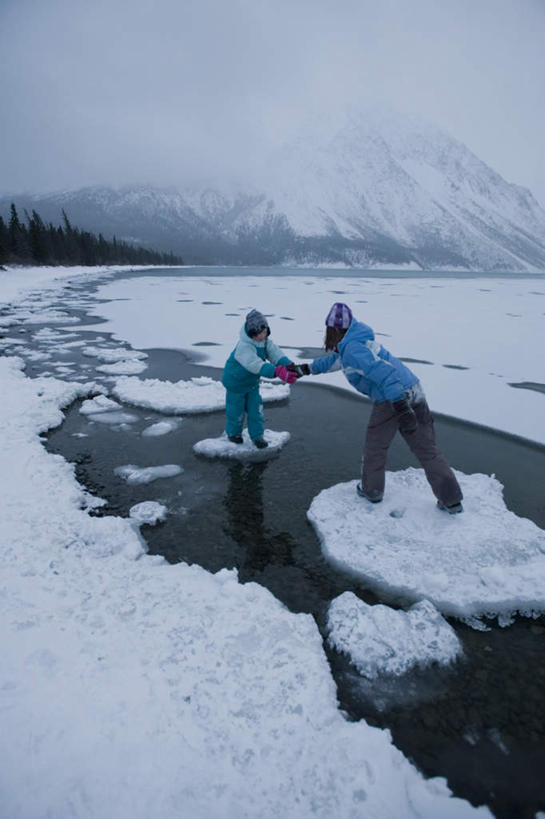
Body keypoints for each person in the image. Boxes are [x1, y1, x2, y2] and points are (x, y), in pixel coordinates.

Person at [295, 302, 463, 513]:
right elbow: (336, 361)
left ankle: (372, 490)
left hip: (392, 398)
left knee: (375, 448)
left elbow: (384, 373)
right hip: (414, 388)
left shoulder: (353, 349)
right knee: (426, 449)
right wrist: (307, 368)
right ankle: (451, 500)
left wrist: (401, 406)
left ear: (334, 329)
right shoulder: (357, 340)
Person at [222, 309, 298, 449]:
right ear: (252, 333)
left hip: (251, 383)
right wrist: (277, 372)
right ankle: (234, 434)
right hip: (235, 383)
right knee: (235, 411)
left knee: (255, 410)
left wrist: (287, 365)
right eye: (259, 333)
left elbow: (275, 353)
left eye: (265, 332)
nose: (263, 336)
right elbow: (255, 364)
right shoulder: (244, 347)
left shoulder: (265, 342)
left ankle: (257, 436)